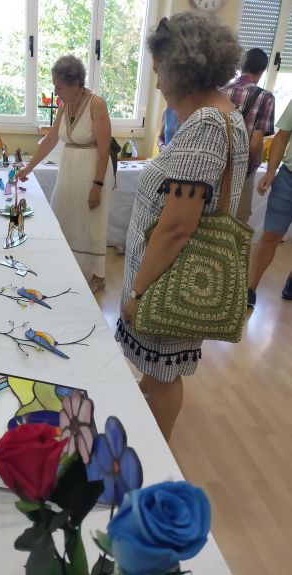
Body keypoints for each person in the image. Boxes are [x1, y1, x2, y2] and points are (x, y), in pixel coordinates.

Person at [115, 13, 248, 441]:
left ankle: (155, 457)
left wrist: (138, 292)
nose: (157, 85)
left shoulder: (206, 126)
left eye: (159, 72)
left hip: (168, 278)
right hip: (171, 273)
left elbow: (177, 227)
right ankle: (144, 426)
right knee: (156, 370)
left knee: (163, 375)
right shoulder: (224, 115)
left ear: (180, 69)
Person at [17, 55, 113, 293]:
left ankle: (98, 276)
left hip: (93, 170)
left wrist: (97, 186)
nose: (55, 91)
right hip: (69, 169)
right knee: (61, 213)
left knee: (92, 222)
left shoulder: (96, 104)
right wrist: (28, 168)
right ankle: (64, 264)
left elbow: (104, 150)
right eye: (55, 85)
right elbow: (51, 140)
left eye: (59, 87)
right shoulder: (64, 105)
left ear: (76, 84)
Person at [221, 48, 275, 224]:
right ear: (262, 71)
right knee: (237, 225)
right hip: (242, 171)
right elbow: (255, 145)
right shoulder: (265, 97)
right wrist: (257, 162)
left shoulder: (220, 91)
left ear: (241, 66)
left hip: (216, 166)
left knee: (212, 220)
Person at [248, 99, 292, 306]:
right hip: (288, 179)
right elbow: (282, 136)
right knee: (271, 235)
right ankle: (250, 288)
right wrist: (271, 171)